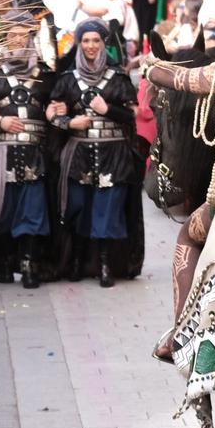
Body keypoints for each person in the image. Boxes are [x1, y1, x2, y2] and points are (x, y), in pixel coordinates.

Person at [47, 19, 139, 286]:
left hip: (114, 153)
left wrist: (107, 109)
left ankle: (106, 265)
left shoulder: (118, 78)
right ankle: (75, 262)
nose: (90, 46)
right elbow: (51, 112)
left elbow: (132, 116)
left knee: (107, 209)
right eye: (85, 40)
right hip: (79, 154)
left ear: (103, 44)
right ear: (79, 43)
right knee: (78, 206)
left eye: (96, 41)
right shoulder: (67, 79)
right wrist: (68, 123)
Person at [0, 11, 53, 287]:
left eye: (21, 34)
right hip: (0, 152)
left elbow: (59, 101)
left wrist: (58, 109)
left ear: (30, 36)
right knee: (2, 209)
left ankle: (28, 265)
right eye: (11, 35)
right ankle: (3, 262)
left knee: (33, 209)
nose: (16, 39)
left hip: (34, 153)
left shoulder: (45, 72)